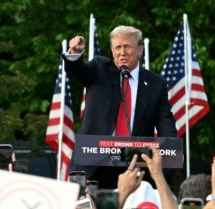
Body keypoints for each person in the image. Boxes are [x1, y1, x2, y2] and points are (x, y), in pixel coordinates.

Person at [64, 25, 176, 188]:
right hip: (92, 165)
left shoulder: (155, 84)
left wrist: (170, 152)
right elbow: (78, 70)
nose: (122, 52)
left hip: (134, 167)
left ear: (140, 50)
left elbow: (166, 123)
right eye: (117, 47)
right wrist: (74, 54)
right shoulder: (99, 68)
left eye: (127, 46)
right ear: (112, 50)